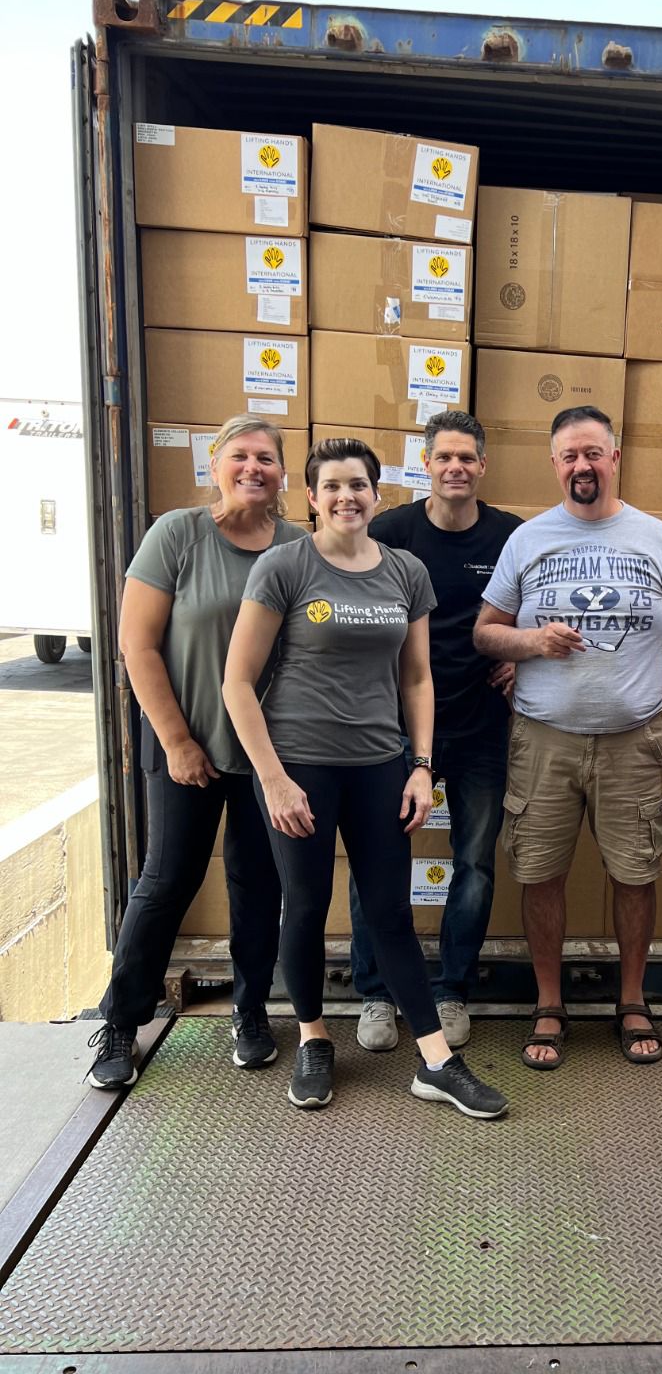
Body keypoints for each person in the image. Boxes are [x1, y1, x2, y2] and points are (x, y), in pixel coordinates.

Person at [222, 436, 507, 1119]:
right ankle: (314, 1038)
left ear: (378, 496)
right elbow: (236, 682)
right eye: (333, 486)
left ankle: (436, 1061)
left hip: (381, 765)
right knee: (308, 902)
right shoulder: (284, 567)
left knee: (390, 915)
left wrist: (420, 765)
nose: (347, 496)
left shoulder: (405, 572)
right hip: (301, 767)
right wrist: (274, 780)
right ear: (313, 499)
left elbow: (417, 677)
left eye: (359, 485)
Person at [474, 405, 662, 1068]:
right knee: (540, 873)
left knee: (635, 874)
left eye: (592, 453)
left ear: (614, 458)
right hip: (543, 739)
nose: (582, 466)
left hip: (634, 740)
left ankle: (631, 999)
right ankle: (550, 1003)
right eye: (569, 456)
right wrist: (530, 642)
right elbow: (485, 630)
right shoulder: (529, 540)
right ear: (555, 464)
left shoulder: (654, 536)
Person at [86, 417, 307, 1090]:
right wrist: (177, 741)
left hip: (271, 756)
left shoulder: (300, 547)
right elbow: (137, 644)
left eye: (266, 458)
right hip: (189, 747)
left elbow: (320, 638)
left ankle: (249, 1013)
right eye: (240, 456)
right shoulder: (177, 535)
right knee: (167, 882)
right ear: (215, 466)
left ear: (282, 474)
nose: (253, 467)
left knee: (258, 886)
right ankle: (122, 1020)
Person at [348, 412, 521, 1053]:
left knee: (473, 863)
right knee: (379, 862)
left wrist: (517, 655)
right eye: (444, 457)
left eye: (467, 458)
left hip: (480, 729)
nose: (456, 468)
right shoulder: (390, 532)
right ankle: (375, 993)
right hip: (392, 732)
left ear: (482, 466)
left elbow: (532, 611)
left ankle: (451, 991)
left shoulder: (510, 536)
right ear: (426, 464)